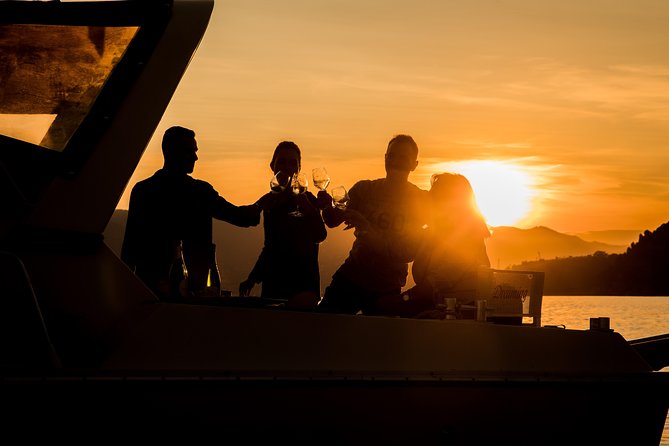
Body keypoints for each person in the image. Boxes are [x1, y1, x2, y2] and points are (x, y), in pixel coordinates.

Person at [121, 126, 268, 301]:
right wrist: (263, 203)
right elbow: (240, 217)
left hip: (148, 292)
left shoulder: (143, 191)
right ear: (172, 152)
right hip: (193, 294)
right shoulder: (199, 192)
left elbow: (129, 252)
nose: (195, 157)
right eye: (189, 151)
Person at [317, 134, 429, 315]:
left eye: (403, 157)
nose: (395, 161)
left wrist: (365, 226)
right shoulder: (364, 190)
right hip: (352, 276)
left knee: (378, 340)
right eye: (391, 156)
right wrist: (326, 207)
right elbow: (333, 221)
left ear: (414, 165)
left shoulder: (421, 200)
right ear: (385, 158)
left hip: (387, 286)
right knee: (323, 327)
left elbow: (408, 252)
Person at [238, 141, 329, 309]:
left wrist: (308, 208)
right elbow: (271, 246)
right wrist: (252, 279)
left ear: (298, 169)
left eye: (292, 163)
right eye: (282, 161)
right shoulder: (271, 202)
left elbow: (320, 235)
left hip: (303, 290)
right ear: (272, 165)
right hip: (274, 286)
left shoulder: (308, 199)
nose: (287, 166)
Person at [403, 172, 491, 318]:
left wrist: (401, 300)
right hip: (439, 309)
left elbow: (433, 284)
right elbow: (403, 251)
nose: (430, 202)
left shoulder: (467, 238)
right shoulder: (433, 234)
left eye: (436, 197)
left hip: (458, 317)